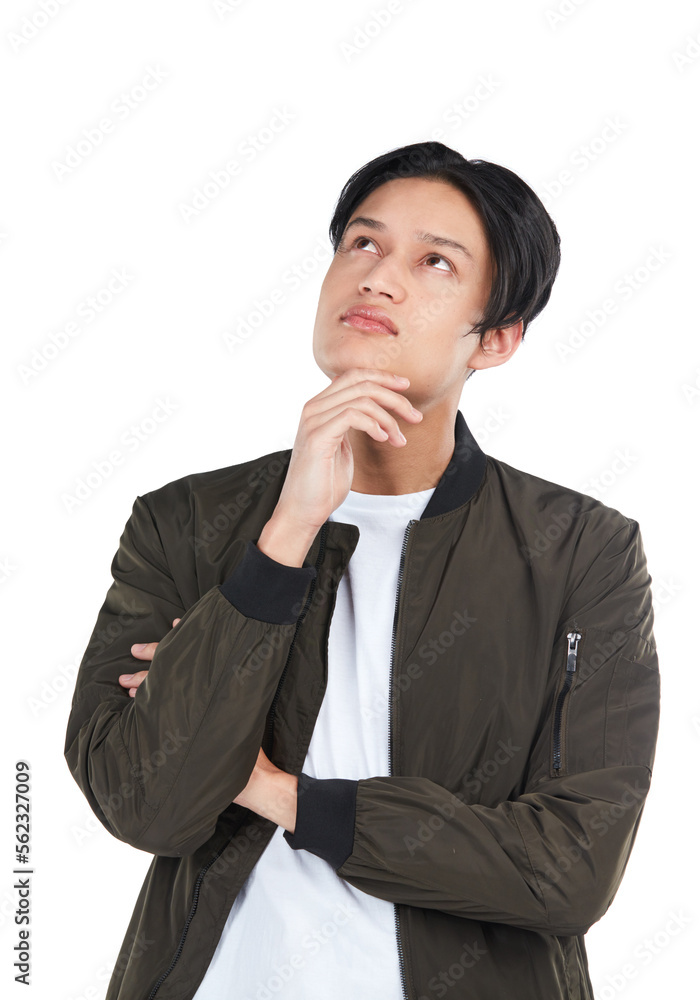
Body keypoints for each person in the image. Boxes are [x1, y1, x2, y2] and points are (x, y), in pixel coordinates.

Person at [64, 141, 660, 1000]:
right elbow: (144, 803)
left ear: (494, 340)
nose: (378, 278)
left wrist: (278, 792)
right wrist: (287, 531)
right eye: (363, 244)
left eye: (434, 262)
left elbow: (570, 869)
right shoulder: (186, 523)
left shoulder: (580, 550)